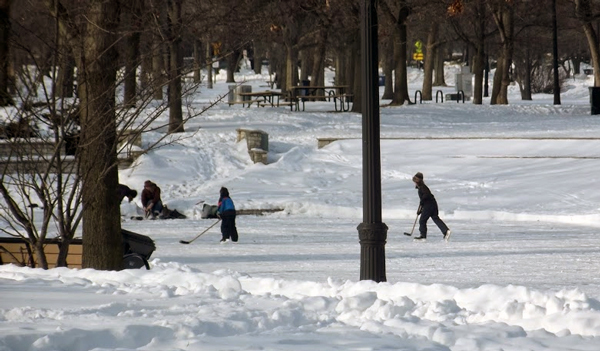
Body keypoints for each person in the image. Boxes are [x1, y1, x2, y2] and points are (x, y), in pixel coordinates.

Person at [412, 172, 451, 241]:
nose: (415, 183)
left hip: (428, 206)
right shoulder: (423, 187)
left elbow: (426, 195)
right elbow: (425, 198)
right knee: (435, 218)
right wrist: (420, 210)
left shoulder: (422, 187)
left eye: (416, 181)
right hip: (433, 205)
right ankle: (446, 231)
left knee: (422, 220)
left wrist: (422, 201)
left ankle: (423, 236)